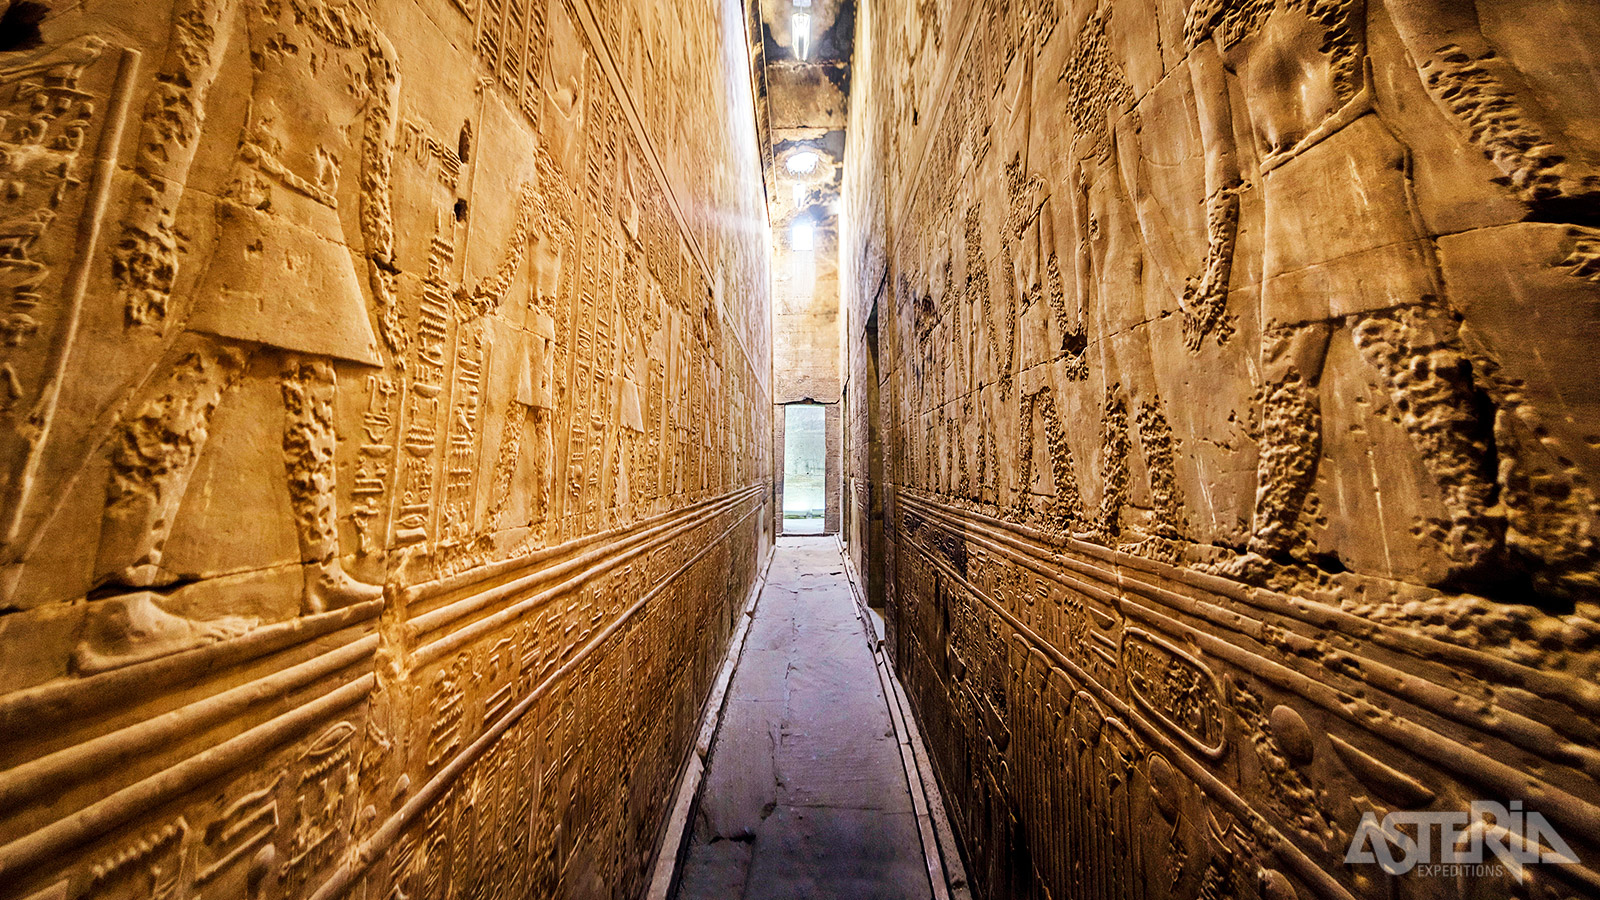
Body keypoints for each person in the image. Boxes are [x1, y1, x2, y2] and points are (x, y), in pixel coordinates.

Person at [82, 0, 399, 671]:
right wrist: (152, 214)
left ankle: (320, 572)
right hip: (260, 194)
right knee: (195, 381)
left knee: (313, 395)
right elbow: (184, 87)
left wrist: (386, 294)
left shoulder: (375, 52)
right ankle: (118, 608)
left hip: (318, 218)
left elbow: (372, 188)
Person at [1183, 0, 1500, 580]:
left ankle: (1482, 532)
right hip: (1286, 185)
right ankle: (1272, 540)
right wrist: (1214, 272)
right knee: (1283, 377)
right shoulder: (1208, 19)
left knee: (1410, 355)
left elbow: (1443, 53)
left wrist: (1519, 151)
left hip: (1352, 146)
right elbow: (1219, 158)